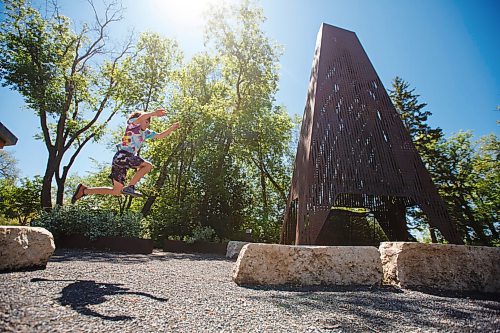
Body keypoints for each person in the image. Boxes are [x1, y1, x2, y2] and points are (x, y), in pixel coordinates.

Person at [71, 107, 180, 203]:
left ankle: (84, 190)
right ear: (139, 120)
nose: (148, 123)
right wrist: (154, 113)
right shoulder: (132, 125)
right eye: (146, 121)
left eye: (149, 122)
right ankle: (130, 186)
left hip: (120, 161)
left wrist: (171, 128)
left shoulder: (145, 133)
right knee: (147, 166)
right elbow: (140, 118)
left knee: (116, 191)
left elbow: (160, 136)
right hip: (122, 156)